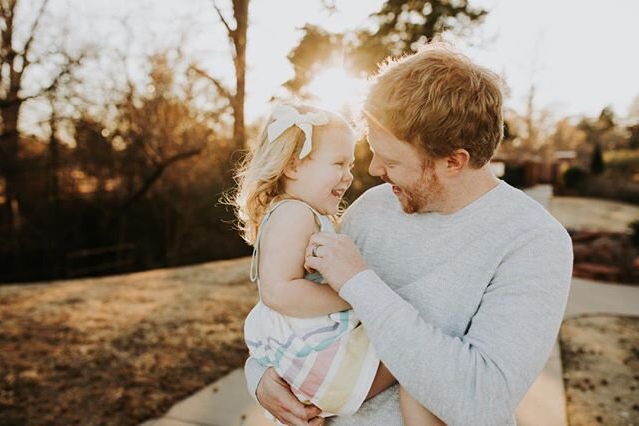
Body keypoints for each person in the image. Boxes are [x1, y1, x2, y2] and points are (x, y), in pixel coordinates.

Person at [245, 42, 574, 425]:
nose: (375, 171)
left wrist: (359, 283)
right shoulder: (373, 206)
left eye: (392, 159)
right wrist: (259, 377)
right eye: (374, 151)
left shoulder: (533, 241)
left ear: (454, 161)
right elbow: (297, 312)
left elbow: (481, 400)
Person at [231, 104, 443, 425]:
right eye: (338, 164)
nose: (349, 175)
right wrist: (352, 293)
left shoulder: (301, 212)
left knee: (412, 360)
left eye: (351, 164)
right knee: (414, 358)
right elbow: (277, 292)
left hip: (311, 364)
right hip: (320, 360)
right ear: (293, 166)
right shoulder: (294, 214)